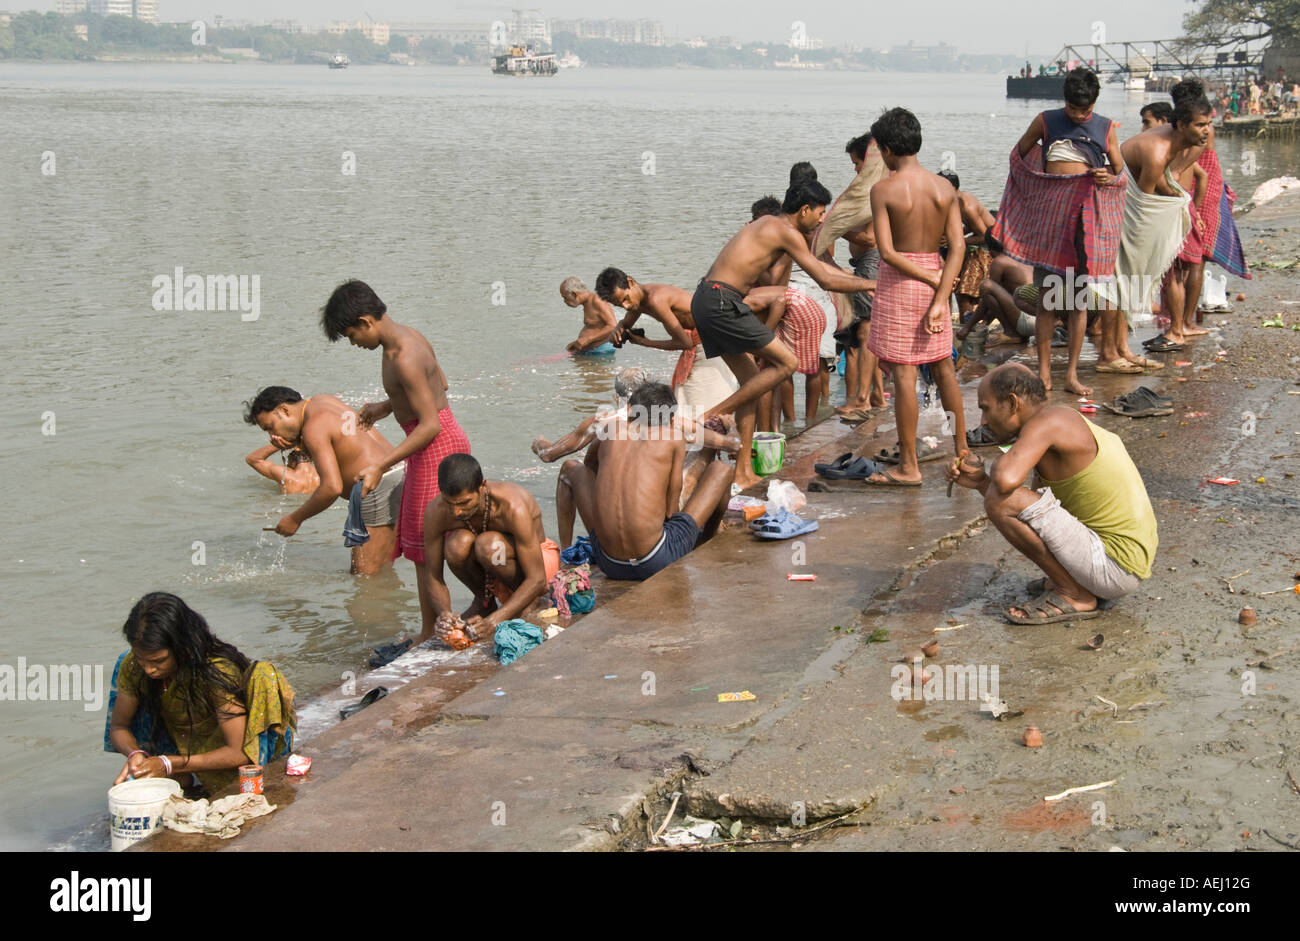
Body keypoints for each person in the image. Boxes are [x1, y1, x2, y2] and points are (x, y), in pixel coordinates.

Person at [320, 280, 472, 662]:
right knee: (423, 545)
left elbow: (429, 424)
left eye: (351, 334)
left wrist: (379, 465)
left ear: (366, 320)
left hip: (434, 446)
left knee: (424, 547)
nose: (353, 343)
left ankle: (439, 632)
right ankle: (430, 629)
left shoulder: (401, 355)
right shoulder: (408, 337)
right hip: (438, 442)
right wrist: (387, 407)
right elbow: (441, 385)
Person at [690, 176, 876, 489]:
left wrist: (856, 279)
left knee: (753, 383)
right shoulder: (785, 231)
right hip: (721, 300)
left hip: (710, 298)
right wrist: (873, 283)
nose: (821, 219)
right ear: (804, 210)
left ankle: (743, 471)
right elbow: (825, 280)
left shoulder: (768, 224)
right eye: (819, 212)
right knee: (786, 363)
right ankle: (713, 413)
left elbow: (818, 273)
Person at [946, 364, 1156, 623]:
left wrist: (999, 461)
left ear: (1012, 403)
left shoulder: (1051, 420)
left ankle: (1074, 593)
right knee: (1006, 500)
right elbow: (1032, 513)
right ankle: (1072, 584)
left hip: (1115, 566)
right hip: (1117, 565)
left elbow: (1005, 482)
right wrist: (980, 482)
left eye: (986, 409)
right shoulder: (1058, 424)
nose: (984, 422)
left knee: (1000, 501)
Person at [991, 67, 1127, 396]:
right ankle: (1045, 373)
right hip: (1051, 225)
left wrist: (1107, 177)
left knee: (1078, 301)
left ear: (1094, 104)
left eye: (1085, 110)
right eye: (1074, 108)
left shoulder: (1105, 128)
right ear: (1064, 100)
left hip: (1085, 224)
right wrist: (1041, 187)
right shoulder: (1046, 120)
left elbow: (1119, 170)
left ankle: (1071, 376)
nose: (1080, 115)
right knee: (1048, 301)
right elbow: (1019, 155)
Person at [863, 107, 968, 487]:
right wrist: (940, 294)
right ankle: (963, 449)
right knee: (944, 369)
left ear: (889, 150)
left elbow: (888, 253)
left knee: (904, 374)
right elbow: (957, 247)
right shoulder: (945, 189)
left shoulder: (883, 190)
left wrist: (924, 278)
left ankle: (909, 466)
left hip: (900, 283)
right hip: (940, 280)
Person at [107, 592, 295, 794]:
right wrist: (135, 754)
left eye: (158, 661)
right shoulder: (134, 666)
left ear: (182, 648)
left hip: (231, 762)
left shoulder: (217, 671)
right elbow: (119, 727)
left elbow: (240, 752)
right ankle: (183, 777)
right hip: (183, 751)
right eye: (141, 659)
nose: (148, 669)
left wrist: (169, 764)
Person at [542, 368, 740, 546]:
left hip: (612, 520)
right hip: (665, 512)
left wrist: (540, 444)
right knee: (705, 453)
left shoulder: (603, 422)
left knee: (570, 467)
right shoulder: (675, 422)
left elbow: (549, 455)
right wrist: (730, 425)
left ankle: (565, 550)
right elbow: (734, 444)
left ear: (617, 398)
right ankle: (708, 536)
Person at [1097, 89, 1212, 368]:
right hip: (1122, 209)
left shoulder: (1180, 142)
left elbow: (1160, 183)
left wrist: (1176, 198)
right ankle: (1109, 353)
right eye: (1200, 125)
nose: (1206, 130)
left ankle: (1123, 348)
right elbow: (1143, 208)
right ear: (1181, 125)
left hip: (1130, 200)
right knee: (1124, 279)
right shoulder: (1159, 151)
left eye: (1208, 123)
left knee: (1131, 281)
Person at [243, 386, 402, 575]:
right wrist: (296, 442)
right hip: (398, 473)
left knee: (364, 578)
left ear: (284, 410)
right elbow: (344, 442)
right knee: (380, 570)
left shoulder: (312, 428)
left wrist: (295, 519)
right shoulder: (323, 401)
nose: (272, 436)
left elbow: (332, 487)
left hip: (377, 487)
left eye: (270, 427)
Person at [421, 454, 560, 644]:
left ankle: (532, 603)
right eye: (449, 503)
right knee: (456, 546)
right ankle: (484, 603)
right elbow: (433, 575)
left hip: (538, 565)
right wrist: (443, 613)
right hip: (495, 565)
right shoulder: (436, 512)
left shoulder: (512, 506)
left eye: (464, 503)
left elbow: (537, 579)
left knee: (489, 546)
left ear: (482, 487)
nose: (456, 512)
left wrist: (492, 623)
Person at [594, 267, 738, 414]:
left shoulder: (655, 300)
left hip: (711, 343)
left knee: (699, 408)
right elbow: (626, 324)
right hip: (706, 342)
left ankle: (737, 435)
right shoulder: (637, 301)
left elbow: (685, 343)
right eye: (619, 305)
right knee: (686, 404)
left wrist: (645, 342)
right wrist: (618, 329)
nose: (626, 306)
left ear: (631, 282)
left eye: (625, 299)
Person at [742, 284, 828, 427]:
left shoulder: (744, 301)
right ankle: (802, 421)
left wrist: (764, 337)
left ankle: (791, 421)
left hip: (802, 314)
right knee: (803, 367)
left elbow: (780, 301)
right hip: (810, 310)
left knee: (782, 368)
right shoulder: (745, 293)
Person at [937, 170, 997, 322]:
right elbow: (973, 226)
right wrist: (959, 234)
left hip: (989, 247)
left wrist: (956, 240)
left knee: (965, 292)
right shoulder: (958, 200)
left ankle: (969, 324)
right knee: (959, 288)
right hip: (980, 243)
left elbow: (984, 236)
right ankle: (967, 321)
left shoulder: (967, 206)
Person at [560, 276, 619, 354]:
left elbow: (613, 326)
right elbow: (594, 326)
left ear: (574, 294)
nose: (565, 301)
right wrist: (578, 342)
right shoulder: (587, 303)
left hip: (600, 351)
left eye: (565, 297)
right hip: (592, 350)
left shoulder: (597, 301)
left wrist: (587, 339)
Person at [244, 443, 319, 495]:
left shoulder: (286, 475)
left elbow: (252, 459)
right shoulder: (323, 474)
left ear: (292, 462)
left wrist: (281, 444)